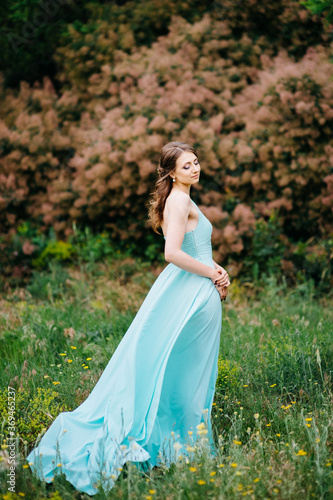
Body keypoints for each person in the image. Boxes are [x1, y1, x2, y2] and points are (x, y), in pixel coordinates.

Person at [26, 141, 230, 496]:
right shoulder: (180, 200)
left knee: (174, 372)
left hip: (189, 288)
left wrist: (216, 267)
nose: (195, 169)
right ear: (170, 172)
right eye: (186, 166)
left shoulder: (181, 197)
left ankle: (174, 448)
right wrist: (213, 275)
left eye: (196, 162)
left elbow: (196, 248)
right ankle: (185, 451)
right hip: (192, 293)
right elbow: (172, 253)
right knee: (190, 376)